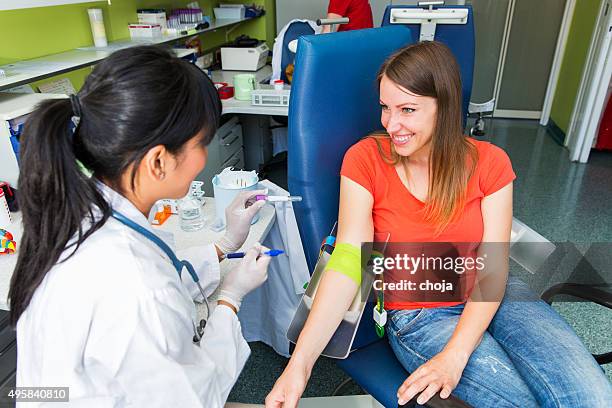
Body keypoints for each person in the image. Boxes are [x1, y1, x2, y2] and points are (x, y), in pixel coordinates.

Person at [266, 41, 612, 407]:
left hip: (497, 294)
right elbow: (350, 262)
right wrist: (298, 367)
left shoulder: (490, 162)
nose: (391, 124)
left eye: (408, 109)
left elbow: (493, 268)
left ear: (443, 107)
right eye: (385, 108)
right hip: (421, 314)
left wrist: (456, 356)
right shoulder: (365, 160)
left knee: (593, 397)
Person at [9, 46, 272, 407]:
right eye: (201, 143)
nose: (204, 157)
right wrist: (230, 299)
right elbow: (198, 398)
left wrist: (223, 245)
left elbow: (160, 276)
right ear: (158, 161)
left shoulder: (76, 214)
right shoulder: (137, 287)